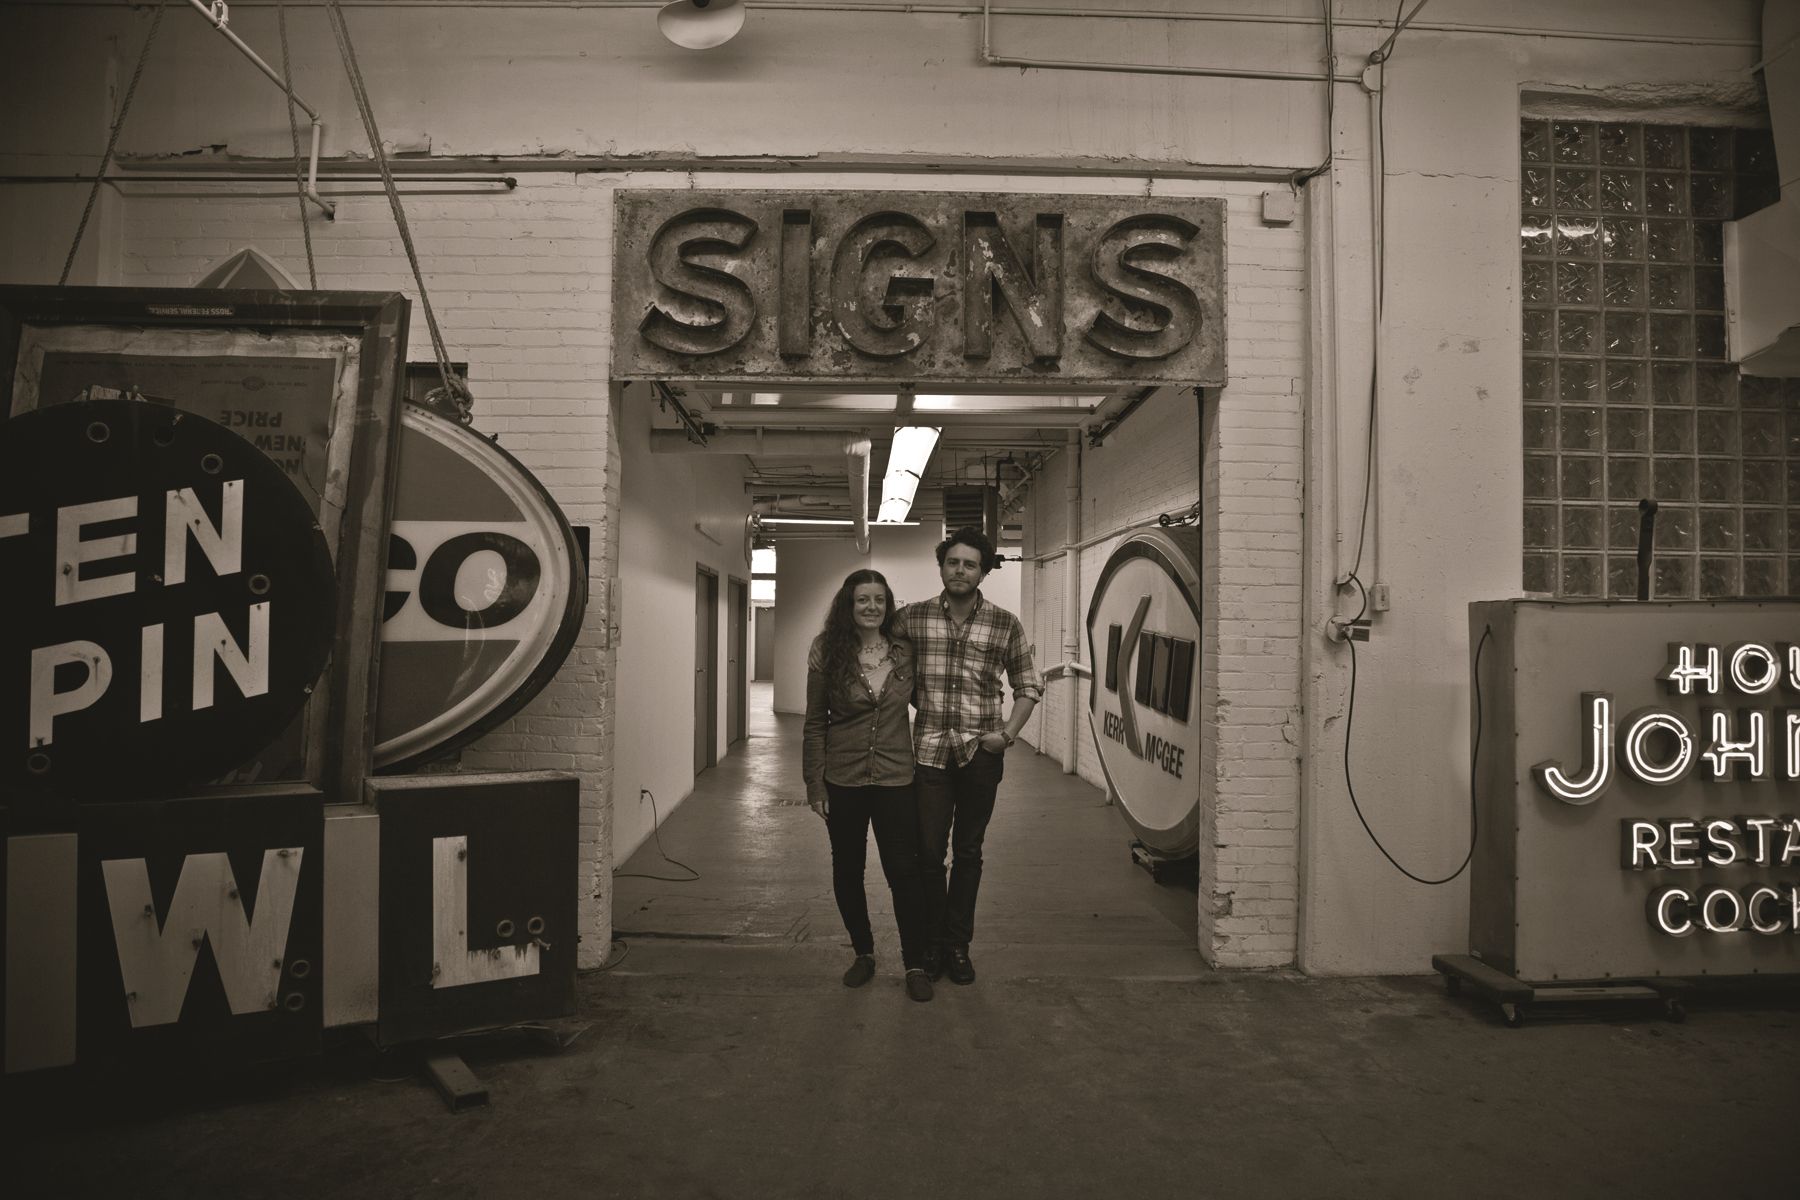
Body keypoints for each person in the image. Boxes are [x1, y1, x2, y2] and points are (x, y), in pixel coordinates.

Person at [892, 526, 1041, 986]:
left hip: (981, 752)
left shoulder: (1004, 623)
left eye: (970, 564)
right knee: (929, 855)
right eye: (953, 562)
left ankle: (958, 946)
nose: (960, 570)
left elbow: (1028, 685)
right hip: (930, 752)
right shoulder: (910, 619)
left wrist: (1007, 735)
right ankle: (932, 945)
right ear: (941, 567)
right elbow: (885, 667)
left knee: (970, 853)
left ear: (983, 572)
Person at [802, 569, 935, 1003]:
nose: (871, 606)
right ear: (848, 604)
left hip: (897, 777)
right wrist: (814, 784)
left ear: (888, 604)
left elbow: (930, 704)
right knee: (848, 869)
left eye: (879, 599)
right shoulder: (827, 651)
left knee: (904, 872)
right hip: (843, 778)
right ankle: (863, 954)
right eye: (863, 599)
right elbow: (814, 723)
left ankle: (914, 962)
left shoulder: (904, 653)